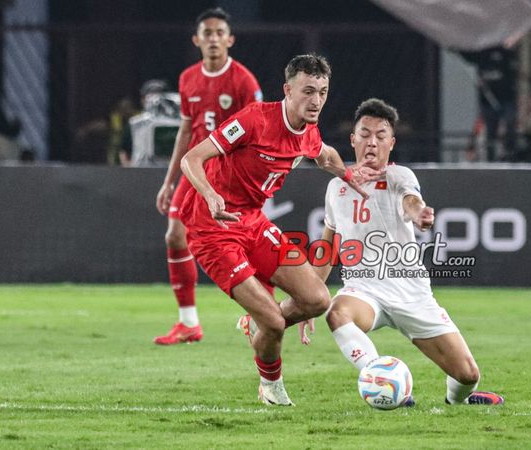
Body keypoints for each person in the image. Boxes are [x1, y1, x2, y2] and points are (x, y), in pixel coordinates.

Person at [178, 54, 383, 406]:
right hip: (213, 227)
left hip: (253, 222)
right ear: (287, 90)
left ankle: (256, 324)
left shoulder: (308, 133)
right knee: (273, 323)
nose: (316, 100)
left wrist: (348, 174)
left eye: (322, 92)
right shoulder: (254, 119)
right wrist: (210, 194)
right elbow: (191, 158)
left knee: (318, 299)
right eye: (308, 91)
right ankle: (271, 387)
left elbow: (325, 155)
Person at [307, 98, 503, 406]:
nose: (372, 142)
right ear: (352, 139)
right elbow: (327, 246)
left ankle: (458, 400)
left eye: (380, 135)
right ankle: (378, 379)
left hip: (410, 292)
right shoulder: (337, 188)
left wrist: (420, 214)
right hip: (364, 290)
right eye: (365, 134)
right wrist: (310, 300)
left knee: (467, 375)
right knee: (337, 311)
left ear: (391, 143)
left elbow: (411, 201)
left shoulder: (399, 176)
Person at [153, 7, 263, 345]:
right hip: (195, 169)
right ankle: (188, 322)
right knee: (174, 235)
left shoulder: (244, 81)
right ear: (197, 40)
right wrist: (169, 180)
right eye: (207, 33)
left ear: (229, 39)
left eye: (219, 33)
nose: (213, 39)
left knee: (241, 242)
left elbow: (258, 128)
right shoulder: (188, 79)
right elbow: (186, 131)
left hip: (230, 174)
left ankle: (262, 309)